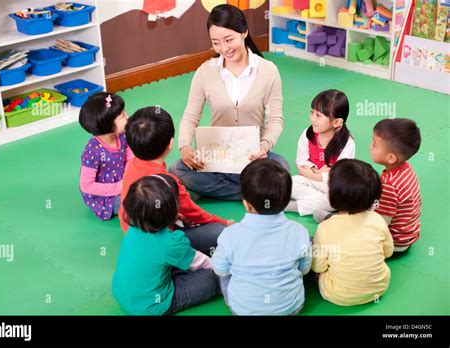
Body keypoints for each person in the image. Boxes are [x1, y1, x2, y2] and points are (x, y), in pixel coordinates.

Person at [169, 4, 290, 201]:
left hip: (254, 156)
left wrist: (265, 146)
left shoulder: (268, 71)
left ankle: (217, 189)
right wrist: (185, 146)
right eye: (216, 43)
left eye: (229, 40)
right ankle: (251, 192)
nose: (223, 49)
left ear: (244, 33)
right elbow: (190, 117)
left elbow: (276, 119)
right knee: (177, 168)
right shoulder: (205, 72)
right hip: (217, 155)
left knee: (282, 167)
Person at [119, 106, 233, 254]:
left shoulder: (130, 165)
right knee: (222, 232)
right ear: (171, 143)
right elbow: (195, 213)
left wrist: (176, 215)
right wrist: (225, 223)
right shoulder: (168, 182)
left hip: (132, 233)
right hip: (160, 244)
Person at [212, 159, 312, 315]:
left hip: (242, 310)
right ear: (286, 201)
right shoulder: (299, 231)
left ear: (246, 203)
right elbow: (304, 269)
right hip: (291, 308)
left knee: (224, 275)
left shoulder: (230, 235)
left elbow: (220, 269)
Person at [112, 174, 219, 315]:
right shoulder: (171, 243)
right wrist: (221, 267)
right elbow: (204, 264)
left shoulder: (135, 225)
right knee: (212, 278)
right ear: (173, 212)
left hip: (123, 293)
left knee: (172, 261)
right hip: (153, 305)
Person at [312, 159, 394, 306]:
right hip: (380, 288)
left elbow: (318, 267)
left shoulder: (325, 228)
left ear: (333, 195)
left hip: (338, 295)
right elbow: (388, 252)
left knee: (311, 256)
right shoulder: (377, 219)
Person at [285, 89, 355, 222]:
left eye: (318, 115)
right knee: (288, 183)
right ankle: (324, 204)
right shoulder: (308, 133)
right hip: (312, 180)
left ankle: (294, 206)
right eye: (312, 112)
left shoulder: (347, 143)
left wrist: (315, 174)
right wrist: (318, 173)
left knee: (336, 196)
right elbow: (300, 162)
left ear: (337, 122)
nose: (312, 118)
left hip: (333, 185)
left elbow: (339, 174)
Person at [370, 118, 422, 253]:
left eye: (374, 144)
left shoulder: (389, 185)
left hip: (394, 243)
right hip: (409, 234)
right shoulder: (405, 168)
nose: (370, 146)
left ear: (391, 158)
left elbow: (380, 223)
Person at [78, 92, 133, 221]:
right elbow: (86, 186)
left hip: (124, 180)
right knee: (135, 203)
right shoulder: (93, 151)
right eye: (123, 116)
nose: (128, 117)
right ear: (107, 124)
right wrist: (119, 187)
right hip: (105, 197)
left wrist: (130, 174)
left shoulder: (122, 135)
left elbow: (129, 154)